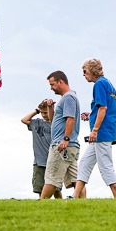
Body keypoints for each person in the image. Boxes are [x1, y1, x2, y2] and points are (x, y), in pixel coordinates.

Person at [72, 59, 116, 199]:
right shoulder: (108, 83)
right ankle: (75, 197)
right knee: (85, 163)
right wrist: (91, 115)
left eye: (85, 71)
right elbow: (107, 108)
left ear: (93, 70)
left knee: (106, 166)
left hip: (102, 133)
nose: (84, 75)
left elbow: (103, 108)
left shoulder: (99, 84)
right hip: (107, 129)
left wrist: (94, 130)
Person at [39, 71, 81, 200]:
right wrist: (50, 108)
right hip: (71, 145)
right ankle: (84, 203)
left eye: (52, 84)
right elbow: (53, 122)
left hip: (62, 145)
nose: (51, 88)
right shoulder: (67, 98)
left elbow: (70, 119)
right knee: (76, 180)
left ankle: (41, 205)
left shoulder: (68, 97)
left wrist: (65, 139)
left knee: (51, 178)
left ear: (60, 82)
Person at [21, 99, 60, 198]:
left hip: (53, 160)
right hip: (39, 161)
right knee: (40, 188)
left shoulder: (55, 124)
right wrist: (37, 111)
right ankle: (42, 204)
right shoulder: (36, 123)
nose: (44, 115)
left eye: (46, 112)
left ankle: (61, 203)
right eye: (42, 113)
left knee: (55, 188)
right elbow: (24, 120)